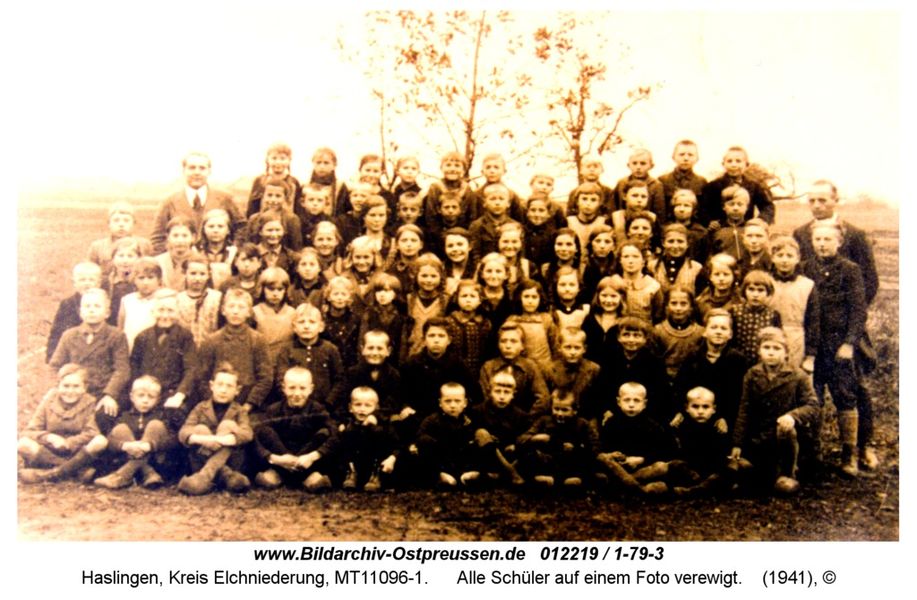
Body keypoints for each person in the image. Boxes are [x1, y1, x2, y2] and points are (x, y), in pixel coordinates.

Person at [802, 222, 876, 475]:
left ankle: (849, 454)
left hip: (839, 346)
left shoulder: (850, 270)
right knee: (813, 396)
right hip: (813, 345)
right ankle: (813, 452)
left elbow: (858, 310)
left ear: (839, 242)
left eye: (827, 239)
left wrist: (849, 343)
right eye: (817, 239)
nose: (822, 244)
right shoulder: (806, 268)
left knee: (846, 396)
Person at [730, 328, 819, 494]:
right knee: (739, 470)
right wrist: (737, 443)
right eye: (766, 347)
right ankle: (761, 473)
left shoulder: (797, 375)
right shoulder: (752, 375)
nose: (771, 353)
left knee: (785, 430)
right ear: (759, 351)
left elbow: (813, 406)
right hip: (760, 436)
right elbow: (744, 409)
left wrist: (792, 416)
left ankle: (789, 472)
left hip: (786, 439)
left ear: (786, 352)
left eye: (777, 348)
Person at [49, 288, 130, 432]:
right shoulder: (69, 335)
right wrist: (61, 388)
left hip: (101, 392)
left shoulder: (116, 336)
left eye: (97, 306)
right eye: (87, 306)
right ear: (80, 312)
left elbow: (122, 369)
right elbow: (55, 365)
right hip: (74, 391)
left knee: (104, 415)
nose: (91, 310)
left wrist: (109, 395)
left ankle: (99, 444)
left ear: (107, 313)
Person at [792, 179, 879, 305]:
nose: (816, 205)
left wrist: (855, 309)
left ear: (835, 200)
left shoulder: (854, 234)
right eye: (812, 201)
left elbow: (870, 280)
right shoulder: (800, 233)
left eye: (822, 200)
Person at [18, 364, 108, 484]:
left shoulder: (90, 402)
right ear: (58, 385)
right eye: (66, 386)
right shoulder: (48, 401)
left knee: (100, 441)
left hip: (77, 452)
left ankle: (48, 475)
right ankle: (76, 471)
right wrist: (48, 437)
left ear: (84, 387)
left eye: (76, 386)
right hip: (49, 452)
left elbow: (92, 432)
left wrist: (69, 442)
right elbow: (29, 431)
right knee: (23, 443)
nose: (70, 391)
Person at [253, 367, 338, 492]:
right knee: (265, 431)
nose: (297, 393)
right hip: (281, 458)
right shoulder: (274, 409)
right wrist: (275, 459)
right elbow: (257, 437)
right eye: (292, 388)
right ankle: (289, 475)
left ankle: (300, 476)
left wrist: (312, 456)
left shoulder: (318, 409)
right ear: (284, 388)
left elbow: (335, 434)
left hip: (306, 460)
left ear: (311, 389)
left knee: (324, 432)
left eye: (302, 388)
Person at [177, 362, 253, 495]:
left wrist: (225, 439)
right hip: (200, 460)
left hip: (231, 460)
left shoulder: (239, 410)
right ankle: (227, 476)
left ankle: (204, 478)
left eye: (229, 386)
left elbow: (247, 434)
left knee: (227, 425)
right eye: (220, 384)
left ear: (237, 390)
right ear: (212, 386)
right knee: (200, 429)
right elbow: (183, 432)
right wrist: (205, 440)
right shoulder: (200, 407)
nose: (223, 390)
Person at [93, 375, 181, 489]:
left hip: (157, 462)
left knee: (155, 425)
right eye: (141, 395)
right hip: (128, 459)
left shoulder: (162, 416)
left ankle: (121, 476)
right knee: (120, 428)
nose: (145, 400)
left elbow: (174, 440)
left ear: (158, 399)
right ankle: (148, 473)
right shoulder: (125, 417)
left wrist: (150, 445)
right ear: (132, 397)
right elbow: (110, 439)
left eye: (151, 397)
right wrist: (125, 445)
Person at [195, 288, 272, 412]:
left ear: (249, 312)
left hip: (247, 406)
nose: (235, 311)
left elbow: (265, 378)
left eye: (241, 307)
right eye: (231, 306)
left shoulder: (258, 340)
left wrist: (249, 405)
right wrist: (214, 403)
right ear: (223, 310)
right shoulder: (212, 341)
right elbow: (202, 378)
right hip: (216, 405)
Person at [150, 152, 243, 254]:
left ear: (209, 171)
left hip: (219, 259)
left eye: (202, 168)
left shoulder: (225, 199)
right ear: (184, 171)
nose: (197, 172)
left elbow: (241, 228)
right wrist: (174, 257)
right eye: (192, 168)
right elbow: (157, 237)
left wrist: (233, 252)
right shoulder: (169, 202)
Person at [596, 382, 677, 495]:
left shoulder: (652, 426)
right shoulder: (611, 424)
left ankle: (620, 486)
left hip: (642, 468)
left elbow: (663, 451)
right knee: (602, 460)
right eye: (626, 400)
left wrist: (641, 459)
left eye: (636, 400)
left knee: (661, 467)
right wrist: (613, 455)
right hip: (618, 468)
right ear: (618, 402)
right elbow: (604, 447)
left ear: (644, 404)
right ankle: (640, 489)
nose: (631, 405)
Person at [129, 289, 196, 415]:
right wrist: (140, 392)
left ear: (178, 312)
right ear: (153, 311)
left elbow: (191, 369)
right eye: (161, 310)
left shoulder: (185, 337)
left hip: (172, 394)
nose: (165, 316)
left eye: (170, 310)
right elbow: (134, 367)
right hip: (146, 394)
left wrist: (179, 395)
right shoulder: (143, 337)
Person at [516, 389, 600, 488]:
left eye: (565, 410)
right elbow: (521, 439)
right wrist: (536, 438)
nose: (560, 414)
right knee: (527, 455)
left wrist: (576, 448)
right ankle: (542, 479)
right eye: (556, 409)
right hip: (547, 461)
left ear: (575, 411)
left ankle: (573, 480)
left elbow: (595, 446)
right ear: (551, 407)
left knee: (587, 461)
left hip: (571, 462)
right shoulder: (544, 421)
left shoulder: (582, 424)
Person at [273, 302, 345, 415]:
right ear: (294, 327)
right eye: (301, 322)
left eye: (312, 322)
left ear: (321, 327)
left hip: (324, 408)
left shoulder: (330, 349)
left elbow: (339, 380)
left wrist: (328, 403)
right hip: (294, 407)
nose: (306, 326)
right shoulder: (287, 350)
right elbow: (281, 380)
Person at [469, 370, 530, 485]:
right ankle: (511, 473)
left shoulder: (520, 415)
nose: (502, 396)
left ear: (513, 394)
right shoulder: (477, 411)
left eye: (506, 392)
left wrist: (515, 445)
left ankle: (500, 474)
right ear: (490, 392)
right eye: (497, 391)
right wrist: (487, 439)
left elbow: (522, 437)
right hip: (486, 455)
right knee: (481, 433)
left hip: (508, 454)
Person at [413, 382, 480, 487]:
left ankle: (467, 475)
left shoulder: (469, 420)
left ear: (465, 403)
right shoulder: (432, 420)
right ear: (440, 403)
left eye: (457, 401)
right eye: (448, 401)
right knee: (425, 443)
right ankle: (440, 476)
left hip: (461, 459)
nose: (452, 405)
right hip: (441, 459)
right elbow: (420, 437)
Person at [769, 235, 819, 369]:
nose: (784, 260)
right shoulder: (766, 282)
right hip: (769, 338)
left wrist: (811, 355)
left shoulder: (807, 285)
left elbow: (813, 321)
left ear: (798, 258)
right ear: (772, 258)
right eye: (780, 255)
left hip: (796, 338)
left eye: (789, 256)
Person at [335, 387, 399, 492]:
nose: (362, 409)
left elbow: (397, 445)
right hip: (357, 463)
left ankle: (376, 476)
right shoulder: (349, 424)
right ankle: (351, 473)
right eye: (358, 404)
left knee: (378, 433)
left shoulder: (384, 426)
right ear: (350, 407)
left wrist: (392, 458)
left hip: (377, 462)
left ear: (376, 408)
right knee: (345, 435)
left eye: (368, 405)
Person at [670, 386, 730, 497]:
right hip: (691, 470)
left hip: (711, 470)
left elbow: (720, 455)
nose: (700, 411)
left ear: (714, 409)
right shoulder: (682, 427)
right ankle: (702, 487)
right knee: (675, 465)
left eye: (705, 407)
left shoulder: (718, 427)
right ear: (686, 408)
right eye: (695, 407)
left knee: (729, 469)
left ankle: (696, 490)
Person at [479, 323, 549, 415]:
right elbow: (485, 397)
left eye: (513, 341)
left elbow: (543, 398)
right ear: (498, 345)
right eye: (503, 341)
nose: (508, 346)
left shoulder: (530, 366)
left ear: (522, 345)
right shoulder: (489, 367)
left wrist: (527, 418)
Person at [700, 146, 775, 226]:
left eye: (738, 161)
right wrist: (709, 222)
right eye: (729, 161)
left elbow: (767, 206)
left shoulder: (753, 185)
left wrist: (761, 219)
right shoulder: (713, 186)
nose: (733, 165)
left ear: (746, 165)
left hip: (746, 228)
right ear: (723, 164)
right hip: (721, 229)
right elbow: (703, 209)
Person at [538, 328, 601, 419]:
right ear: (559, 348)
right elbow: (546, 400)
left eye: (577, 348)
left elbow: (596, 399)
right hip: (557, 416)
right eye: (568, 347)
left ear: (584, 349)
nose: (572, 352)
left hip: (585, 417)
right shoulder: (549, 370)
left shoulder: (593, 369)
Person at [47, 262, 103, 363]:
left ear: (99, 283)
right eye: (82, 280)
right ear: (74, 282)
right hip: (73, 352)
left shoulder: (104, 303)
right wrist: (51, 356)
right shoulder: (67, 304)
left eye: (91, 280)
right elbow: (56, 332)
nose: (87, 283)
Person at [730, 270, 783, 365]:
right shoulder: (735, 311)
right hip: (737, 362)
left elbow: (777, 341)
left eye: (760, 290)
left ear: (768, 293)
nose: (755, 294)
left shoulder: (773, 315)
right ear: (744, 291)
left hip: (762, 363)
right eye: (751, 289)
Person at [652, 286, 704, 380]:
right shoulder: (658, 331)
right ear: (666, 306)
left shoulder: (700, 332)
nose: (678, 308)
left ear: (691, 307)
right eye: (674, 303)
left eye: (683, 304)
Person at [86, 202, 153, 275]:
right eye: (116, 220)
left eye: (126, 220)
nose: (121, 224)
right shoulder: (98, 247)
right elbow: (90, 272)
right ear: (109, 223)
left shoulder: (144, 244)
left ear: (134, 223)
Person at [445, 279, 493, 377]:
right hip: (454, 370)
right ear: (456, 298)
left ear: (480, 300)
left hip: (479, 371)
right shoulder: (449, 322)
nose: (468, 300)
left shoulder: (486, 324)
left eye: (472, 296)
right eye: (464, 296)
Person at [176, 251, 223, 347]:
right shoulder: (178, 299)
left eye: (202, 274)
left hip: (211, 348)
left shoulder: (217, 298)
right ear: (185, 274)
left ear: (208, 275)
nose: (197, 278)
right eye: (193, 273)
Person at [246, 142, 302, 217]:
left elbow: (298, 208)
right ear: (267, 160)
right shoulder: (260, 181)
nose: (278, 162)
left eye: (282, 158)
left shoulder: (293, 182)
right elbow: (252, 207)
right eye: (274, 158)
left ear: (289, 160)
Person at [469, 182, 521, 263]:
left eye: (501, 199)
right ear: (484, 203)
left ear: (508, 203)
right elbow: (475, 254)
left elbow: (520, 252)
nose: (497, 203)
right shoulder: (477, 225)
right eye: (492, 199)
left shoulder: (515, 225)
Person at [613, 148, 666, 221]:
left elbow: (659, 211)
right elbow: (615, 206)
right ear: (628, 165)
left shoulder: (656, 185)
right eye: (634, 163)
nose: (638, 167)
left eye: (643, 163)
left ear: (651, 166)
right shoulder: (622, 183)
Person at [658, 140, 708, 215]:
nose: (686, 158)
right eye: (681, 154)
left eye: (690, 155)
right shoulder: (663, 181)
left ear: (697, 158)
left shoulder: (702, 182)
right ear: (673, 157)